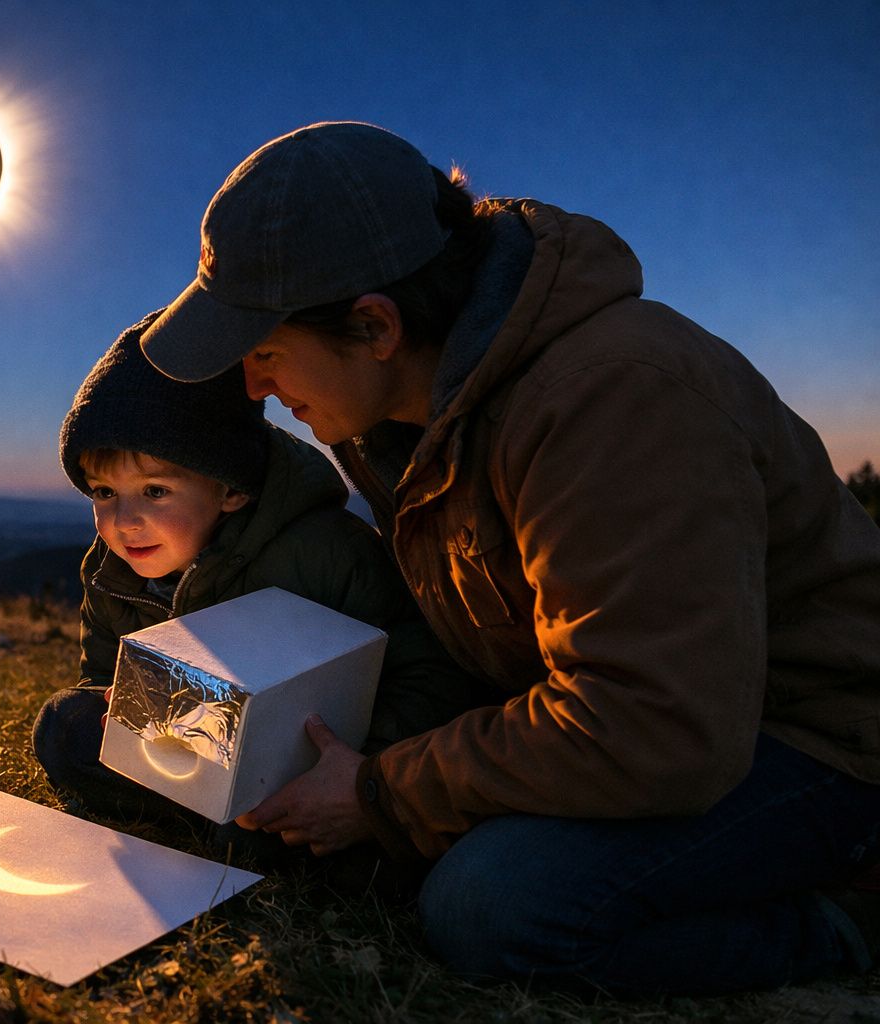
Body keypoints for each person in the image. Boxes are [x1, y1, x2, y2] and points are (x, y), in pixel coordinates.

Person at [136, 121, 880, 996]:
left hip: (814, 741)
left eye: (264, 353)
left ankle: (843, 925)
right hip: (619, 720)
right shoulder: (403, 419)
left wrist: (382, 791)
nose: (255, 386)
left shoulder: (612, 398)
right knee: (217, 772)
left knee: (497, 904)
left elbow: (656, 724)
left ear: (375, 324)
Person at [33, 311, 489, 828]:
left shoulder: (324, 552)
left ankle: (289, 833)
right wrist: (119, 711)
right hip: (194, 759)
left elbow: (424, 671)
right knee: (66, 723)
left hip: (323, 768)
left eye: (155, 491)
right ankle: (237, 830)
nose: (124, 521)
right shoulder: (111, 572)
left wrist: (365, 769)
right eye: (104, 493)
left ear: (230, 488)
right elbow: (100, 671)